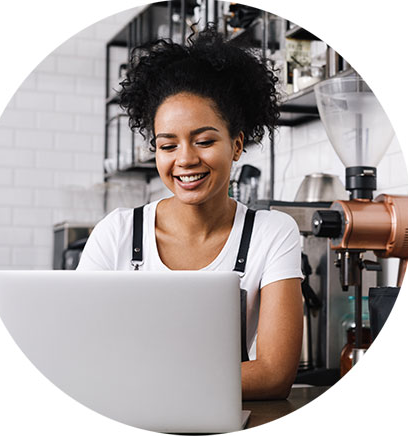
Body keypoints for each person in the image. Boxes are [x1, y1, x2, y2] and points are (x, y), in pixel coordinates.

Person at [78, 25, 303, 401]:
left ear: (236, 145)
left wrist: (145, 382)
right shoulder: (116, 232)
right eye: (168, 145)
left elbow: (274, 374)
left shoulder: (272, 233)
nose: (185, 160)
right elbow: (81, 350)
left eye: (204, 141)